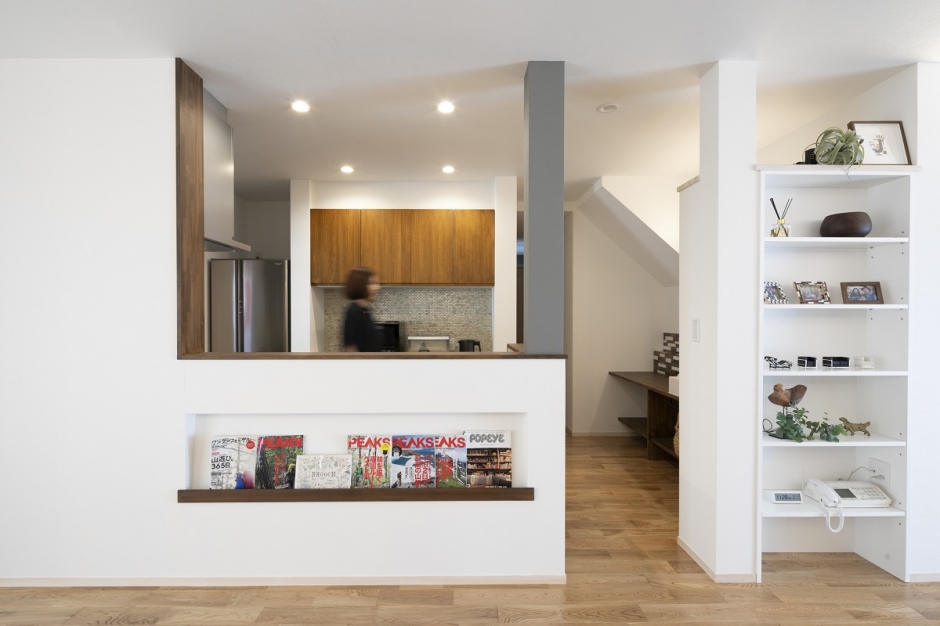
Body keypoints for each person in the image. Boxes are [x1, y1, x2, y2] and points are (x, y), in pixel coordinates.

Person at [343, 267, 382, 352]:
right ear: (359, 285)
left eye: (376, 283)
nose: (376, 287)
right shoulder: (354, 312)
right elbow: (350, 347)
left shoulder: (364, 311)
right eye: (370, 283)